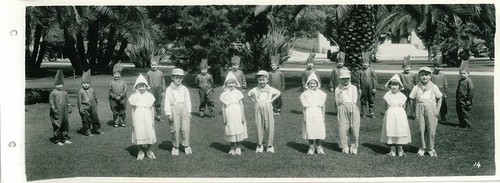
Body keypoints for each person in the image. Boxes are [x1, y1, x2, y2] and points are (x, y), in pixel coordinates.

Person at [409, 67, 443, 157]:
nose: (424, 77)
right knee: (421, 129)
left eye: (426, 75)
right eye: (422, 75)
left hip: (431, 109)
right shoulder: (416, 87)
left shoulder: (433, 87)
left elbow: (440, 98)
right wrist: (412, 111)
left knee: (431, 130)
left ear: (430, 76)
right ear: (419, 76)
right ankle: (422, 148)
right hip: (419, 110)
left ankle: (431, 148)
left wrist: (437, 110)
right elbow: (411, 98)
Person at [248, 70, 281, 153]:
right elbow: (249, 94)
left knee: (269, 125)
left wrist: (271, 100)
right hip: (258, 108)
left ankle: (270, 145)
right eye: (260, 80)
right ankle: (259, 145)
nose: (261, 82)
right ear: (257, 81)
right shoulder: (255, 89)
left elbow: (278, 93)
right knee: (258, 125)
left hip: (268, 108)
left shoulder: (270, 89)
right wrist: (254, 101)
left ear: (267, 80)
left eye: (263, 80)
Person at [380, 74, 411, 157]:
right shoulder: (387, 95)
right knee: (391, 129)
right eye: (393, 85)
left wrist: (399, 111)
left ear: (399, 86)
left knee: (400, 130)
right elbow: (384, 105)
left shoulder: (402, 96)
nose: (394, 87)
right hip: (390, 115)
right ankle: (392, 149)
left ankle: (400, 149)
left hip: (400, 115)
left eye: (396, 85)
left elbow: (404, 106)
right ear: (390, 86)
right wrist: (390, 110)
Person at [128, 74, 157, 160]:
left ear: (146, 86)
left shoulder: (149, 96)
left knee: (149, 131)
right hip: (138, 115)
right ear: (136, 87)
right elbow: (133, 109)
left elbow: (152, 108)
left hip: (147, 115)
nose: (141, 88)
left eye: (143, 86)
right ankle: (140, 150)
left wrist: (152, 119)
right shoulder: (134, 96)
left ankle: (149, 150)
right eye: (139, 86)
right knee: (139, 131)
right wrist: (133, 120)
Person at [164, 68, 192, 155]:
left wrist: (189, 111)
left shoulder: (184, 89)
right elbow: (167, 101)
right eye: (176, 77)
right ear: (172, 78)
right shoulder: (169, 89)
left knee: (185, 128)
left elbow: (188, 100)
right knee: (175, 129)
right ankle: (175, 146)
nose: (178, 80)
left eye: (180, 78)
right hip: (174, 110)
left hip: (184, 109)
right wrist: (168, 113)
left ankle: (186, 145)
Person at [220, 72, 248, 155]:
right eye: (229, 83)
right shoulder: (224, 94)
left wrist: (242, 115)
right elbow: (223, 107)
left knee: (238, 128)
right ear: (226, 84)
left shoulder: (238, 93)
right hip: (229, 113)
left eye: (233, 83)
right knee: (230, 129)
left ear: (235, 83)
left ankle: (238, 146)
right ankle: (232, 146)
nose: (231, 84)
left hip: (237, 112)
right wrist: (224, 117)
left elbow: (241, 105)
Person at [300, 72, 327, 155]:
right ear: (308, 84)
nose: (312, 85)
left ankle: (319, 146)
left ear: (317, 84)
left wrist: (323, 116)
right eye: (310, 83)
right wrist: (304, 117)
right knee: (310, 130)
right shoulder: (304, 94)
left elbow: (323, 106)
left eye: (314, 83)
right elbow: (304, 107)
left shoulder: (321, 93)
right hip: (309, 113)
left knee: (318, 130)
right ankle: (311, 147)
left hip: (318, 112)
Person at [335, 69, 360, 154]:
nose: (345, 80)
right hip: (342, 108)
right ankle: (344, 146)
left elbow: (354, 99)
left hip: (352, 107)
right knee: (342, 128)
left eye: (347, 78)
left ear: (349, 79)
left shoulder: (353, 88)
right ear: (340, 79)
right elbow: (337, 101)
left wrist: (351, 106)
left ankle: (354, 146)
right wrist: (340, 108)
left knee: (354, 128)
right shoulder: (338, 89)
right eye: (343, 79)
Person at [49, 69, 72, 145]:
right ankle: (57, 139)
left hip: (64, 112)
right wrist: (55, 112)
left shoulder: (65, 92)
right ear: (55, 84)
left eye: (60, 84)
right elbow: (52, 104)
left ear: (63, 84)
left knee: (65, 124)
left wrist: (69, 109)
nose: (59, 86)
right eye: (57, 84)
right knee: (57, 125)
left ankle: (64, 138)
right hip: (57, 112)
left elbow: (68, 102)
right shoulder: (53, 93)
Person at [77, 69, 103, 136]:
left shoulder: (92, 89)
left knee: (95, 119)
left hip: (93, 107)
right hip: (85, 108)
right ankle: (87, 131)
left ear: (90, 84)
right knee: (86, 120)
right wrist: (81, 109)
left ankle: (97, 129)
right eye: (84, 83)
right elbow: (79, 101)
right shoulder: (81, 91)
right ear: (82, 84)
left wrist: (95, 105)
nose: (86, 85)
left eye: (87, 83)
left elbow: (95, 98)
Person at [357, 51, 378, 118]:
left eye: (366, 63)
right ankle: (363, 112)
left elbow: (375, 79)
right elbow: (358, 80)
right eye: (363, 63)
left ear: (369, 64)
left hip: (371, 87)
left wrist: (375, 87)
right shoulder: (360, 71)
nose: (365, 64)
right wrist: (359, 88)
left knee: (371, 99)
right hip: (363, 88)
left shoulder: (371, 70)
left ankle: (371, 112)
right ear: (362, 64)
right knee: (363, 100)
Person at [146, 54, 166, 122]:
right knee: (150, 103)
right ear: (150, 65)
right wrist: (147, 90)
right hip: (151, 90)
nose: (154, 66)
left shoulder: (160, 73)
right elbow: (146, 82)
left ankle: (158, 115)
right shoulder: (148, 73)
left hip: (159, 90)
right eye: (152, 65)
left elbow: (163, 82)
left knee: (158, 103)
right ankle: (150, 116)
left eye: (155, 65)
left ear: (157, 65)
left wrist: (163, 91)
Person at [456, 60, 474, 129]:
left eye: (464, 73)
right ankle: (461, 123)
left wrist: (469, 100)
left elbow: (471, 90)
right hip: (459, 99)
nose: (462, 74)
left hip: (465, 99)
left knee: (465, 112)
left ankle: (467, 125)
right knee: (459, 111)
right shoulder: (460, 80)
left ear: (468, 74)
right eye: (461, 73)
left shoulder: (468, 81)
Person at [431, 55, 448, 123]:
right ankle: (434, 117)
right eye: (437, 67)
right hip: (434, 93)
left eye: (440, 67)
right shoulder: (431, 75)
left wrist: (446, 93)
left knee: (443, 106)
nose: (438, 68)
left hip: (442, 93)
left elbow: (445, 84)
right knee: (434, 105)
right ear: (434, 67)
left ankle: (443, 117)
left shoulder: (443, 75)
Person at [109, 63, 127, 127]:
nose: (117, 75)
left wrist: (121, 96)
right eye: (115, 74)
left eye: (118, 74)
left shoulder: (123, 82)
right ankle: (116, 122)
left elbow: (125, 90)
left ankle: (122, 121)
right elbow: (110, 91)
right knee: (115, 110)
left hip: (122, 99)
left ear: (120, 75)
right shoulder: (111, 82)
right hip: (113, 99)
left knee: (122, 110)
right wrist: (114, 96)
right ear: (113, 75)